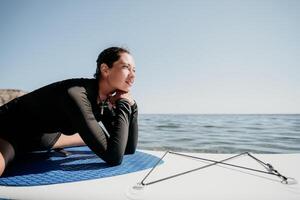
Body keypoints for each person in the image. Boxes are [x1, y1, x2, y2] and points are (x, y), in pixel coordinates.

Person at [0, 47, 138, 176]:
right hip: (9, 131)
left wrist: (132, 106)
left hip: (43, 138)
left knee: (95, 140)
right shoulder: (76, 94)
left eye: (134, 70)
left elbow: (127, 148)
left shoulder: (105, 100)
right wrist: (125, 103)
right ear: (105, 69)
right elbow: (113, 157)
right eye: (126, 67)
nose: (132, 76)